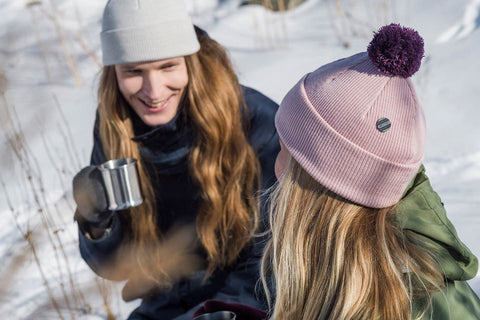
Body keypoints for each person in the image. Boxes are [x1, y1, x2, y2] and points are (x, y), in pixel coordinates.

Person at [71, 0, 279, 319]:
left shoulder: (256, 124)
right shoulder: (116, 126)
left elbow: (273, 261)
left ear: (189, 61)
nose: (153, 92)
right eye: (134, 71)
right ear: (115, 73)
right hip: (164, 305)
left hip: (243, 305)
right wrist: (97, 225)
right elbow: (117, 266)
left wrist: (213, 311)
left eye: (167, 66)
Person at [260, 24, 480, 320]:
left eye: (285, 151)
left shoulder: (425, 307)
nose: (275, 166)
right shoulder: (331, 274)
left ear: (319, 186)